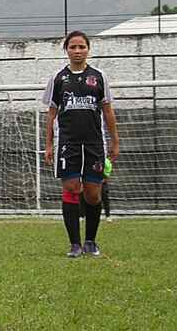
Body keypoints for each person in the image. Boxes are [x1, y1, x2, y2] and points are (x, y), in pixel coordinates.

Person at [43, 30, 120, 258]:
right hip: (68, 143)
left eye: (81, 47)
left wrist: (114, 140)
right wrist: (48, 144)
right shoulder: (58, 79)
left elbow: (107, 110)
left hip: (95, 144)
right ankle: (74, 244)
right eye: (73, 47)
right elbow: (51, 113)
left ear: (88, 49)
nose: (77, 51)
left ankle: (91, 241)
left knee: (93, 195)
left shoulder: (99, 77)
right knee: (71, 189)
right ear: (66, 50)